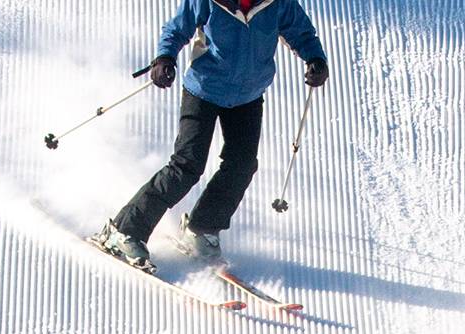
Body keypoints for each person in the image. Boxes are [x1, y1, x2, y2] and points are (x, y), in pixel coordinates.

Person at [98, 0, 328, 270]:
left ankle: (202, 228)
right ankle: (125, 230)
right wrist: (165, 57)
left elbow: (301, 32)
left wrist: (316, 58)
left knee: (241, 166)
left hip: (248, 97)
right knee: (187, 165)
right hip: (204, 90)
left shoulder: (277, 3)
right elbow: (176, 28)